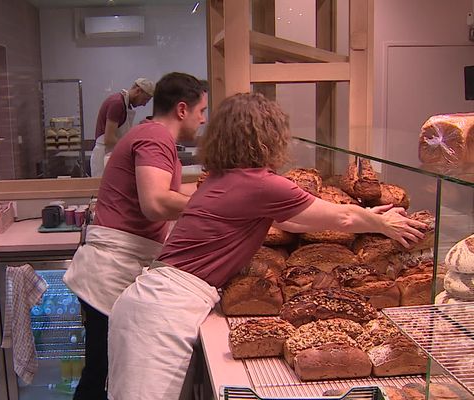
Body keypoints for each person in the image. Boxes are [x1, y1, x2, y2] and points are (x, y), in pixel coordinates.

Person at [107, 92, 427, 400]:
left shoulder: (225, 178)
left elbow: (294, 222)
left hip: (157, 300)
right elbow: (340, 217)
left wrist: (369, 216)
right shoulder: (260, 183)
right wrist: (384, 224)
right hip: (163, 309)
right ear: (268, 137)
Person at [63, 72, 208, 400]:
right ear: (182, 109)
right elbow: (156, 203)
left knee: (102, 371)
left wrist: (214, 194)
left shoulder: (152, 135)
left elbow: (169, 192)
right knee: (101, 375)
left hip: (115, 267)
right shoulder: (156, 138)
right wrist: (212, 211)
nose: (202, 120)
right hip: (110, 271)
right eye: (201, 111)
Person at [90, 77, 155, 177]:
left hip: (112, 155)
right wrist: (131, 149)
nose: (144, 104)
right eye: (145, 99)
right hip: (104, 156)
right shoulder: (117, 103)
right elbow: (109, 139)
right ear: (138, 91)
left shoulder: (125, 105)